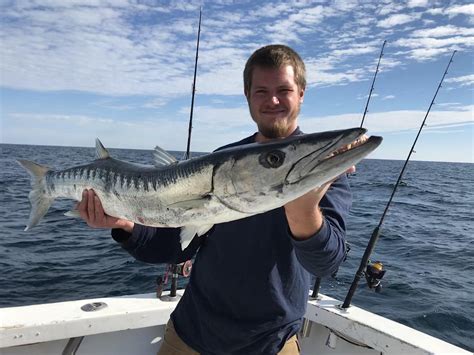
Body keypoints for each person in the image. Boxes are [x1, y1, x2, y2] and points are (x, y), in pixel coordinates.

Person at [77, 44, 354, 354]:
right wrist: (126, 225)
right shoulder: (221, 162)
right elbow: (176, 246)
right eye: (261, 91)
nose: (272, 100)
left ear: (301, 93)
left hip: (272, 345)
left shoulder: (325, 170)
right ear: (247, 95)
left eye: (284, 90)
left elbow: (327, 263)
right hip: (190, 335)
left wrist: (304, 213)